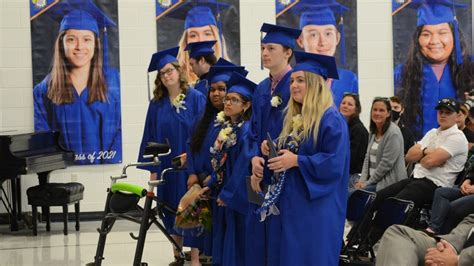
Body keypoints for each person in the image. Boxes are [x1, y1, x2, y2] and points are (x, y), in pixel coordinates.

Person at [256, 51, 349, 265]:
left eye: (301, 80)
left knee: (309, 257)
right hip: (292, 203)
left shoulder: (330, 119)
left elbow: (333, 163)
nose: (294, 85)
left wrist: (297, 161)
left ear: (316, 84)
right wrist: (272, 149)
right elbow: (292, 151)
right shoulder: (296, 119)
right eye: (292, 81)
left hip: (315, 207)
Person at [138, 47, 206, 266]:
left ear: (178, 71)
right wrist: (152, 169)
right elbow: (149, 135)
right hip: (167, 167)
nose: (166, 76)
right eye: (162, 73)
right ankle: (177, 255)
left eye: (169, 71)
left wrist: (197, 162)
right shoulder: (156, 104)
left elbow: (204, 132)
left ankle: (194, 257)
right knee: (169, 211)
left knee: (192, 209)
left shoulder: (196, 98)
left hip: (190, 166)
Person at [33, 2, 122, 164]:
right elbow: (43, 137)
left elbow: (122, 130)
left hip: (106, 169)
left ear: (96, 44)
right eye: (71, 39)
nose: (80, 47)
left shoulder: (116, 83)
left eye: (87, 39)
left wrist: (108, 164)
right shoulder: (43, 90)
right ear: (61, 44)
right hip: (63, 174)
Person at [246, 23, 301, 266]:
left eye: (271, 48)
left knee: (281, 236)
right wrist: (254, 157)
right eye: (262, 48)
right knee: (258, 234)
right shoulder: (260, 89)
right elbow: (252, 131)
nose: (265, 53)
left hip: (285, 173)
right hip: (260, 173)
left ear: (288, 52)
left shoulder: (297, 86)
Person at [185, 59, 247, 266]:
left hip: (219, 185)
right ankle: (197, 260)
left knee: (222, 233)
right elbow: (190, 147)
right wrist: (193, 173)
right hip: (202, 183)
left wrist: (213, 179)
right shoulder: (203, 120)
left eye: (222, 90)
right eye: (212, 90)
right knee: (202, 230)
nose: (216, 94)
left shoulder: (236, 126)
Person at [199, 71, 255, 266]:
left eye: (234, 100)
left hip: (240, 194)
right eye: (227, 99)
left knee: (238, 240)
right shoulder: (227, 127)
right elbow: (221, 162)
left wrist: (229, 193)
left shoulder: (247, 130)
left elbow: (242, 165)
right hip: (225, 191)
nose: (227, 103)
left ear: (246, 105)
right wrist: (212, 184)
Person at [395, 0, 473, 139]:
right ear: (417, 38)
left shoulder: (470, 70)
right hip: (418, 149)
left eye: (442, 32)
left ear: (454, 35)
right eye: (426, 34)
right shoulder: (402, 74)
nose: (434, 41)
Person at [373, 98, 468, 211]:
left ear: (457, 116)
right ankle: (362, 228)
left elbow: (428, 162)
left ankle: (380, 228)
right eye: (440, 112)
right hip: (415, 179)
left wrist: (421, 157)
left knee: (392, 207)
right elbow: (409, 157)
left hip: (434, 185)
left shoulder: (457, 138)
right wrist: (426, 151)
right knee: (376, 199)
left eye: (448, 113)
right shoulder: (432, 133)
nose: (443, 115)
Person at [289, 0, 359, 107]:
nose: (322, 42)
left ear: (337, 38)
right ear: (300, 41)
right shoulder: (293, 80)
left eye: (328, 33)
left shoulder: (349, 80)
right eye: (313, 35)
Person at [167, 1, 231, 83]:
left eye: (207, 34)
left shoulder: (230, 73)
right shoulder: (176, 77)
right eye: (193, 35)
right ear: (186, 41)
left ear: (216, 37)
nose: (201, 40)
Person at [353, 97, 407, 192]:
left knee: (354, 194)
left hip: (388, 184)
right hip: (372, 181)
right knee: (350, 183)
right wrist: (362, 181)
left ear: (388, 113)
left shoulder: (393, 133)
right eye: (375, 110)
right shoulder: (373, 132)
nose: (377, 113)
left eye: (381, 110)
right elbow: (367, 158)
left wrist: (367, 183)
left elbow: (385, 164)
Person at [376, 214, 474, 265]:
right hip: (460, 246)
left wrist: (457, 260)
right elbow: (471, 219)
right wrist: (449, 246)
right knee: (399, 233)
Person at [339, 93, 368, 177]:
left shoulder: (358, 129)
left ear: (356, 109)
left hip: (354, 176)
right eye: (343, 103)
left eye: (350, 104)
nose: (345, 106)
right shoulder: (343, 126)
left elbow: (352, 158)